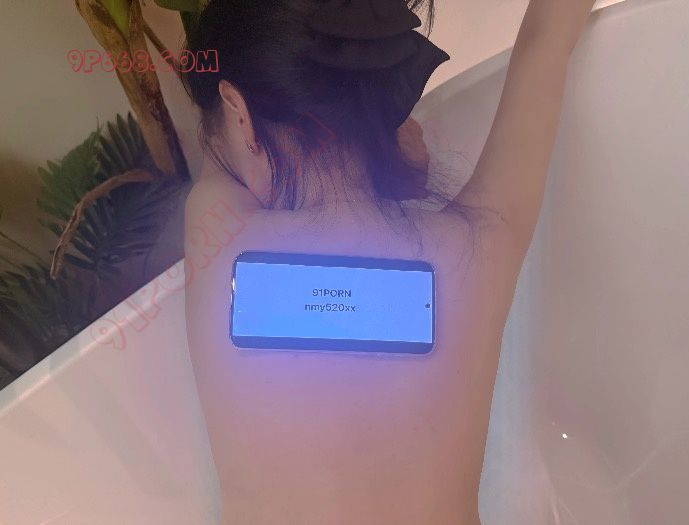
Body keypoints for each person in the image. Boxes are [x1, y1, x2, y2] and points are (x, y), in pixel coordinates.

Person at [183, 0, 597, 523]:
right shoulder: (479, 243)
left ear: (238, 112)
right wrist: (399, 175)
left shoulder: (215, 237)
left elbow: (222, 156)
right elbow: (547, 42)